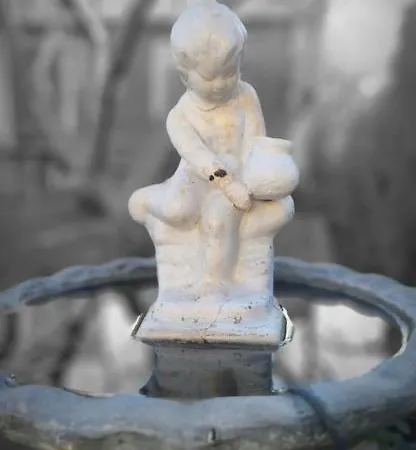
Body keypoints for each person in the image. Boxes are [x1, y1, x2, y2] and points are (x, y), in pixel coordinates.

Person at [129, 0, 282, 287]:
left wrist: (260, 175)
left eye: (230, 72)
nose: (222, 83)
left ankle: (216, 286)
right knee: (178, 211)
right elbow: (199, 157)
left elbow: (256, 140)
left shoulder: (246, 96)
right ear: (184, 75)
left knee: (219, 220)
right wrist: (228, 184)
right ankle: (148, 199)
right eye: (210, 77)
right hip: (200, 177)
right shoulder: (180, 116)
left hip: (238, 180)